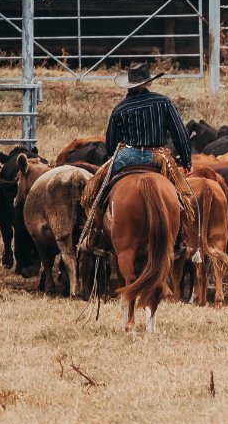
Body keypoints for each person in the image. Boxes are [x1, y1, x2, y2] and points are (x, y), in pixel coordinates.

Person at [72, 62, 197, 275]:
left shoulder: (120, 108)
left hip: (125, 156)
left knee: (95, 192)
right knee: (183, 198)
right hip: (158, 157)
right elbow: (180, 134)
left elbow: (110, 145)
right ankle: (181, 239)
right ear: (148, 82)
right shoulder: (163, 102)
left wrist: (116, 157)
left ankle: (95, 235)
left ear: (128, 85)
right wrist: (186, 162)